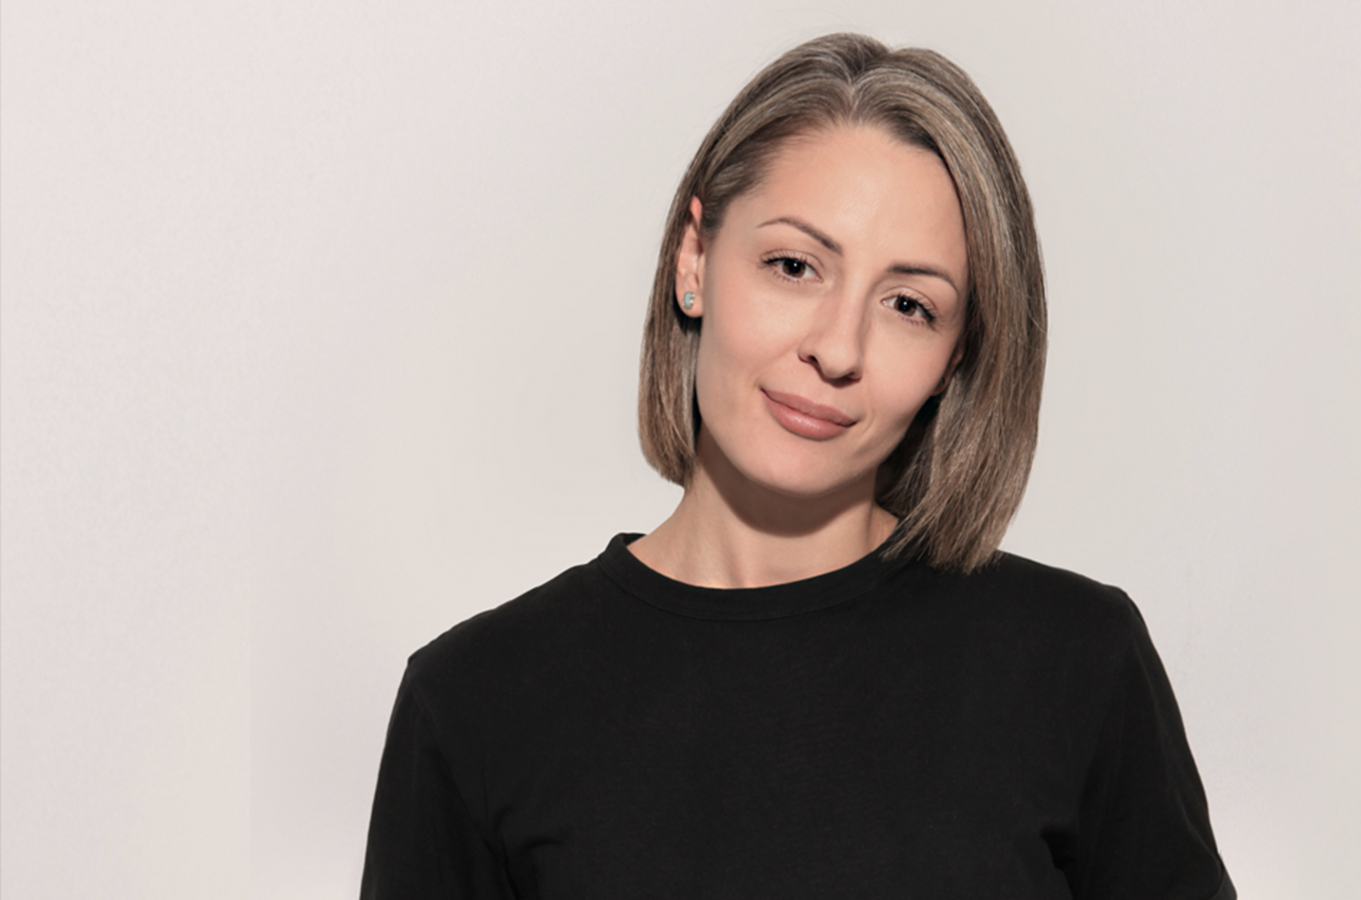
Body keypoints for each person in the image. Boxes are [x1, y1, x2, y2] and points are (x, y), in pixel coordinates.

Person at [361, 33, 1234, 900]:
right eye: (794, 266)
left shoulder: (1077, 664)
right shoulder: (475, 703)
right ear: (695, 260)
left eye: (909, 305)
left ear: (956, 358)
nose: (838, 348)